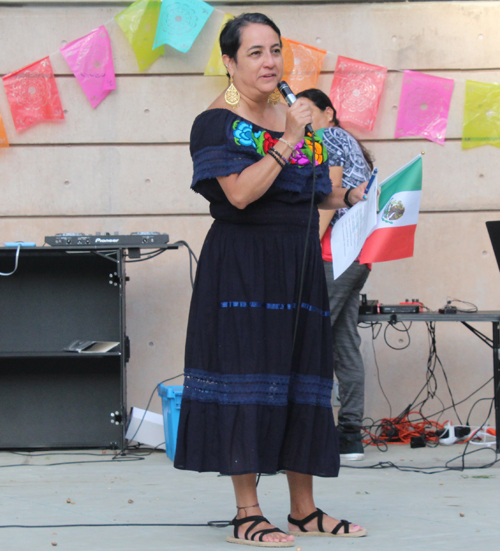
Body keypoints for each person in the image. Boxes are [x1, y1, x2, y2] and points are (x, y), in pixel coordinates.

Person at [174, 13, 367, 547]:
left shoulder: (296, 117)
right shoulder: (215, 123)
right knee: (247, 381)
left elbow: (318, 191)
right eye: (255, 52)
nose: (269, 62)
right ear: (229, 63)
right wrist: (287, 140)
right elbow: (239, 194)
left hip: (298, 266)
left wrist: (359, 199)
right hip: (243, 269)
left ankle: (304, 511)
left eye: (275, 50)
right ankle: (247, 513)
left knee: (303, 380)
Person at [296, 88, 374, 461]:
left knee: (308, 338)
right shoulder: (351, 143)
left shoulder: (328, 138)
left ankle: (306, 434)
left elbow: (330, 190)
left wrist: (307, 246)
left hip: (333, 253)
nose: (301, 119)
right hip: (359, 257)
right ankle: (350, 438)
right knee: (343, 344)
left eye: (307, 111)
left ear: (328, 113)